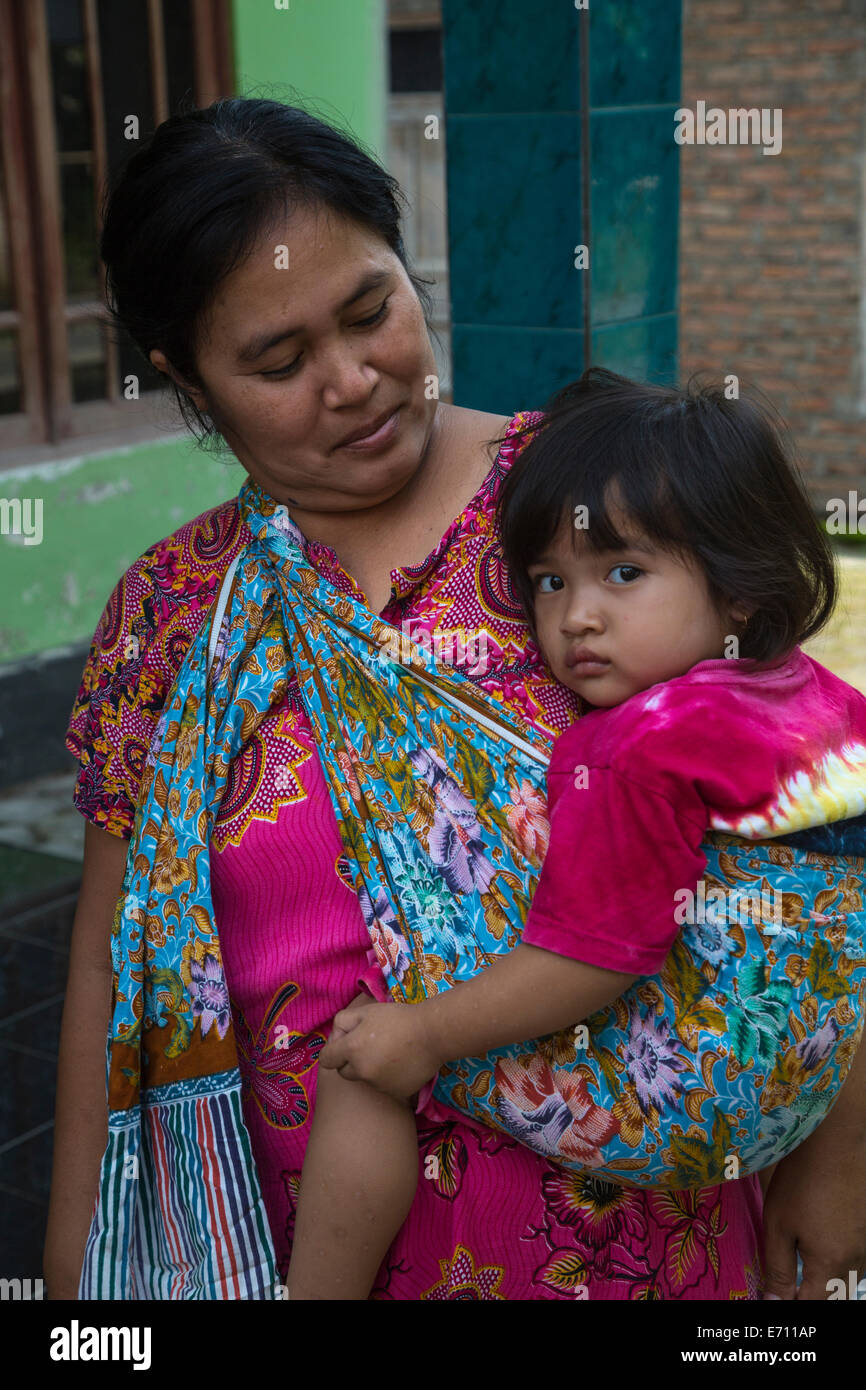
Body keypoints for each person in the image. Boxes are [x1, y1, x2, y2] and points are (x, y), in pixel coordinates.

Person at [44, 98, 866, 1302]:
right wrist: (81, 1251)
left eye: (371, 309)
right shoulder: (171, 619)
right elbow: (113, 963)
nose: (351, 380)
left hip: (644, 1236)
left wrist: (838, 1150)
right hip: (312, 1238)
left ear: (409, 262)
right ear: (186, 377)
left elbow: (811, 828)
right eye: (276, 362)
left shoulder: (595, 521)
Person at [284, 367, 866, 1299]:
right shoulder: (827, 706)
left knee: (364, 1058)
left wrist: (425, 1032)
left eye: (623, 574)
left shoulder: (632, 747)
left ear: (742, 588)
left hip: (677, 1107)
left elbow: (598, 954)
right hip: (797, 1093)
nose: (575, 617)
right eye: (549, 581)